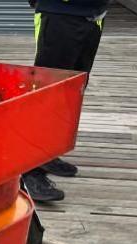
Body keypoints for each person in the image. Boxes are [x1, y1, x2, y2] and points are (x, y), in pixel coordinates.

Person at [22, 0, 110, 202]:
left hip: (94, 17)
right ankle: (28, 171)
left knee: (71, 94)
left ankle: (46, 154)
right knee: (47, 95)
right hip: (59, 16)